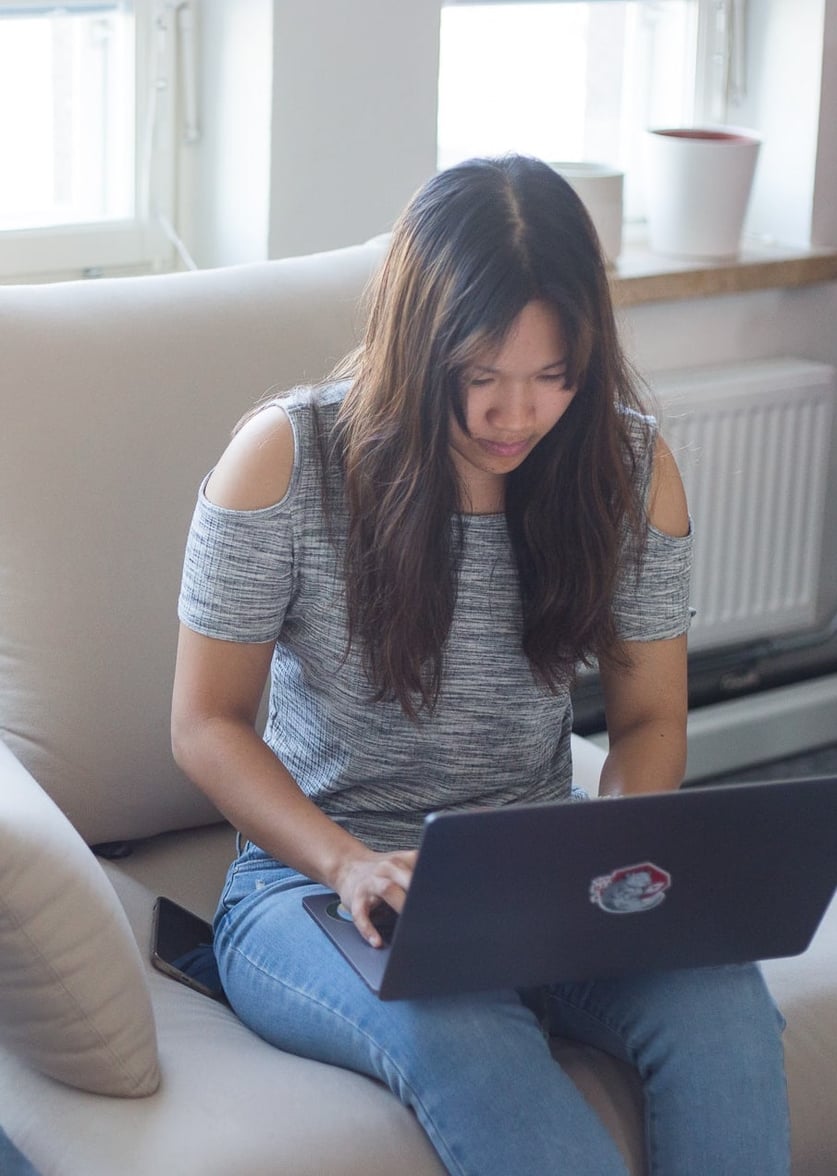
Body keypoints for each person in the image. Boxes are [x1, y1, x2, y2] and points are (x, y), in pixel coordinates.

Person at [171, 155, 789, 1175]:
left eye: (554, 377)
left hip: (541, 889)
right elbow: (206, 724)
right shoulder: (284, 460)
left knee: (721, 1003)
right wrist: (347, 863)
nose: (518, 416)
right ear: (420, 348)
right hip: (315, 889)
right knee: (462, 1035)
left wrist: (618, 862)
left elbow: (648, 720)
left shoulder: (628, 473)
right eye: (481, 379)